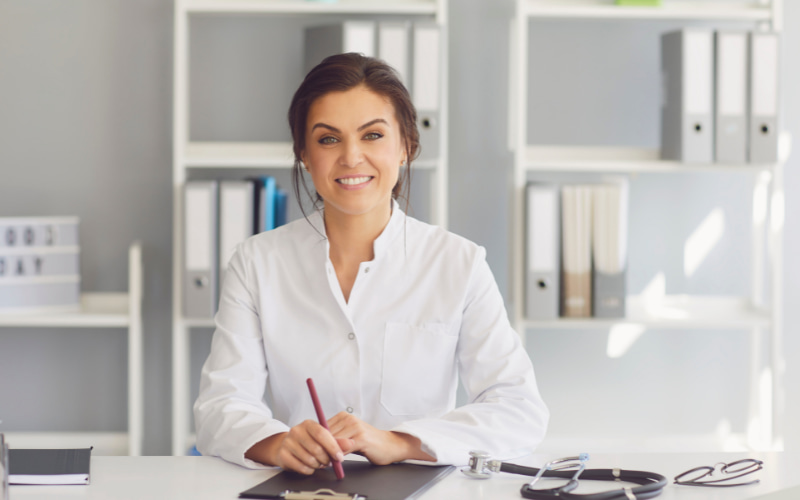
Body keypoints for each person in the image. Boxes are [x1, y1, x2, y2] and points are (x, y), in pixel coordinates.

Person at [193, 53, 548, 473]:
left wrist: (399, 442)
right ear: (303, 154)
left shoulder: (459, 263)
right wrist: (277, 443)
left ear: (406, 146)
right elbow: (220, 405)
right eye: (328, 139)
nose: (351, 157)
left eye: (372, 136)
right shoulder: (256, 263)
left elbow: (518, 410)